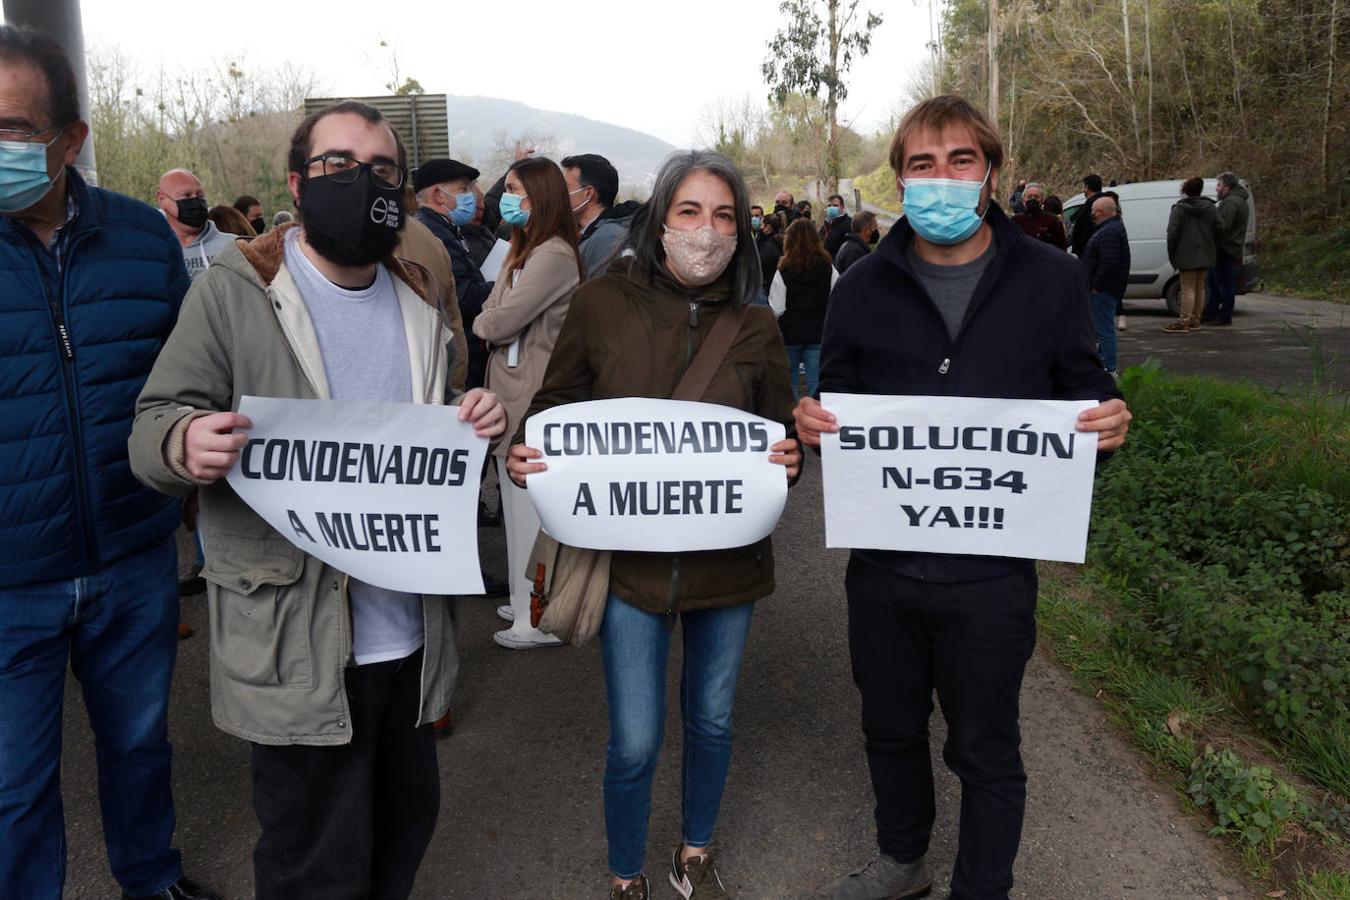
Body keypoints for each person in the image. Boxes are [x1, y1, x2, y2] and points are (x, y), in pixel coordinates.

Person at [128, 100, 507, 900]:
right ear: (298, 183)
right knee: (314, 861)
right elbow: (153, 422)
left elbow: (435, 435)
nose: (361, 181)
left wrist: (477, 418)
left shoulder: (418, 300)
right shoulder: (236, 292)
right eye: (338, 164)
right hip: (297, 643)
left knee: (403, 834)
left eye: (381, 169)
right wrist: (182, 443)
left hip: (408, 638)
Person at [800, 94, 1131, 900]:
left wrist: (1110, 424)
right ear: (899, 181)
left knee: (986, 747)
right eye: (922, 165)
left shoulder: (1052, 277)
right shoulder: (862, 284)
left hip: (991, 574)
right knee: (889, 728)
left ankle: (982, 886)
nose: (941, 178)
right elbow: (839, 396)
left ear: (989, 175)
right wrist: (813, 422)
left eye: (959, 161)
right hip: (885, 567)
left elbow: (1082, 394)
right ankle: (901, 862)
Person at [506, 149, 800, 900]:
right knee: (634, 740)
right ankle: (625, 872)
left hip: (728, 566)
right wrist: (530, 452)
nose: (707, 231)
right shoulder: (601, 304)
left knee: (712, 720)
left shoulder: (758, 327)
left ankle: (694, 853)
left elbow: (776, 444)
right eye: (690, 212)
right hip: (630, 568)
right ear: (660, 218)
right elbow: (553, 408)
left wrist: (795, 461)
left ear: (743, 231)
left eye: (725, 216)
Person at [0, 24, 216, 900]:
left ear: (71, 139)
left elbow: (190, 375)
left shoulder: (141, 238)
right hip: (9, 579)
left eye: (13, 128)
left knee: (137, 744)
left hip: (132, 556)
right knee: (13, 782)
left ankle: (151, 879)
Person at [472, 156, 582, 650]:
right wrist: (490, 316)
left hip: (532, 396)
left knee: (530, 513)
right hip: (511, 392)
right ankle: (523, 598)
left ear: (540, 195)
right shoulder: (526, 249)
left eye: (514, 188)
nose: (506, 196)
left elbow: (495, 321)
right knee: (517, 510)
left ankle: (536, 616)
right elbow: (494, 310)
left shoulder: (553, 255)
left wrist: (488, 319)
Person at [414, 158, 496, 389]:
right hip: (463, 357)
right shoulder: (434, 234)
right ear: (439, 196)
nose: (472, 194)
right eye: (463, 189)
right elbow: (463, 297)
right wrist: (502, 286)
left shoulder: (445, 228)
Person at [770, 217, 839, 399]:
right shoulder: (829, 268)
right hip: (819, 333)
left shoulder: (783, 270)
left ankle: (791, 422)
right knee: (816, 382)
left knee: (790, 381)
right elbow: (837, 299)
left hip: (790, 334)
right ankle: (818, 423)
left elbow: (776, 308)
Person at [564, 152, 642, 279]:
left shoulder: (607, 239)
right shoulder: (587, 232)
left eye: (566, 187)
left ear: (588, 193)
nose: (559, 192)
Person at [156, 168, 236, 281]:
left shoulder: (233, 246)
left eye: (200, 195)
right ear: (162, 199)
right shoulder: (152, 250)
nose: (196, 201)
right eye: (186, 195)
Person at [1081, 195, 1130, 373]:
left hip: (1104, 289)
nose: (1091, 215)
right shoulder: (1113, 228)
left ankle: (1109, 368)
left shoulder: (1109, 232)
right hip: (1106, 288)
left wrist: (1096, 285)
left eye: (1093, 212)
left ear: (1100, 213)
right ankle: (1104, 364)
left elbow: (1109, 262)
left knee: (1103, 329)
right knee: (1102, 328)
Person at [1163, 176, 1218, 332]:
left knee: (1187, 288)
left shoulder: (1180, 209)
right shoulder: (1210, 207)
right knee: (1200, 287)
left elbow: (1172, 233)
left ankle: (1184, 321)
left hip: (1186, 254)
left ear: (1185, 190)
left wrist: (1172, 251)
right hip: (1206, 253)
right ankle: (1195, 319)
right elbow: (1220, 227)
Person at [1201, 172, 1249, 326]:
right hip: (1227, 249)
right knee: (1214, 283)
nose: (1217, 189)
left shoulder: (1231, 203)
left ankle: (1224, 315)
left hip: (1224, 250)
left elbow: (1222, 226)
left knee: (1223, 284)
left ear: (1227, 186)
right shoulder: (1239, 201)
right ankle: (1210, 312)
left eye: (1219, 185)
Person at [1011, 183, 1067, 249]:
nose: (1032, 199)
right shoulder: (1015, 221)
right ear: (1023, 200)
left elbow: (1061, 249)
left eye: (1036, 197)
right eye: (1029, 197)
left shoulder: (1053, 220)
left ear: (1042, 200)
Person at [1068, 173, 1104, 258]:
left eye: (1084, 187)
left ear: (1087, 187)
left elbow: (1085, 230)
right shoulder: (1106, 202)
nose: (1083, 190)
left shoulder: (1090, 206)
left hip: (1090, 253)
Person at [833, 210, 878, 274]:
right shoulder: (854, 252)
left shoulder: (852, 246)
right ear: (866, 230)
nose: (875, 231)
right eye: (874, 227)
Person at [756, 211, 784, 292]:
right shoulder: (778, 242)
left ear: (768, 227)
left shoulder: (768, 246)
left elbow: (761, 266)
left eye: (762, 224)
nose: (761, 227)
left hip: (768, 286)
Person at [821, 192, 853, 256]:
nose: (831, 208)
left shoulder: (849, 224)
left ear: (842, 207)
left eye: (835, 205)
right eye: (829, 206)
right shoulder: (826, 225)